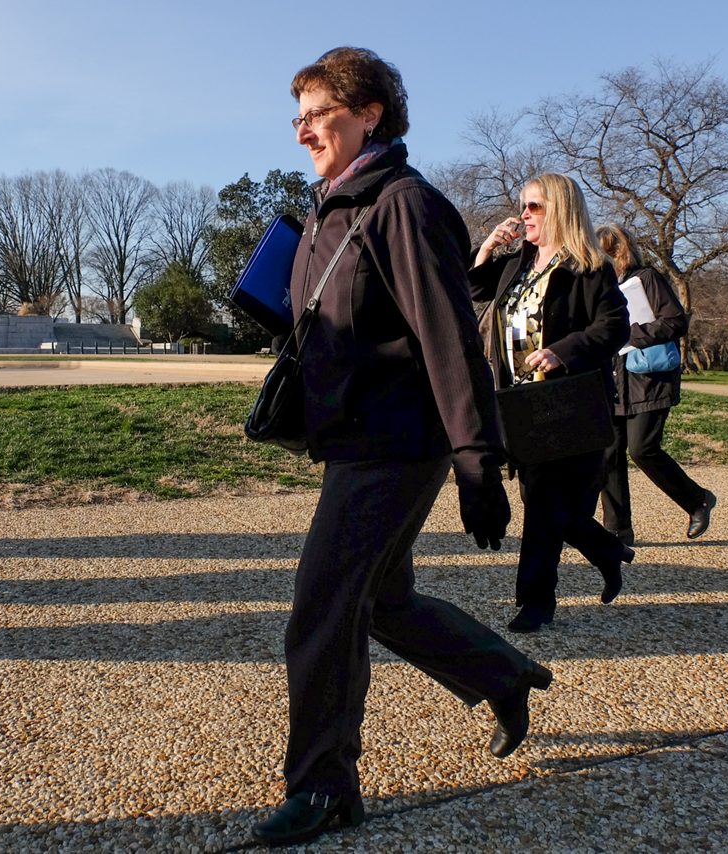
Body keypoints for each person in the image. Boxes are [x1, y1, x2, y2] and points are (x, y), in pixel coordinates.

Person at [251, 47, 553, 847]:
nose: (305, 131)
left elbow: (450, 338)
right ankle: (501, 673)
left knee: (322, 610)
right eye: (300, 117)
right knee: (379, 602)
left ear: (372, 112)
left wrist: (477, 462)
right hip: (354, 438)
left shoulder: (404, 205)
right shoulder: (330, 207)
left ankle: (323, 787)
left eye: (320, 113)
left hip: (398, 443)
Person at [469, 174, 631, 634]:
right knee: (551, 505)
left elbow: (615, 327)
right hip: (519, 401)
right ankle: (606, 549)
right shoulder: (517, 264)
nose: (524, 214)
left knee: (542, 505)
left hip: (566, 401)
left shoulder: (588, 266)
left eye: (534, 207)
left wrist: (563, 351)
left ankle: (535, 602)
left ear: (560, 209)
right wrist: (487, 249)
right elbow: (473, 290)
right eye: (523, 206)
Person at [595, 224, 716, 545]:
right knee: (608, 454)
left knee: (643, 449)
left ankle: (697, 500)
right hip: (613, 381)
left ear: (619, 250)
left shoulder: (645, 278)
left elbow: (676, 321)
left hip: (649, 378)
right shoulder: (600, 286)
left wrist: (629, 335)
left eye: (608, 251)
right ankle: (617, 530)